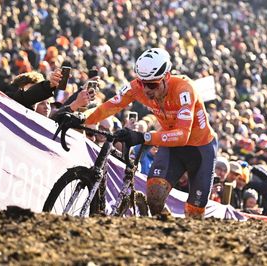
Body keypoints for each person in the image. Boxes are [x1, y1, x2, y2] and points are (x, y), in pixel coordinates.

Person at [84, 48, 218, 218]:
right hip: (171, 145)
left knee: (194, 213)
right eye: (142, 83)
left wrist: (144, 137)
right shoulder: (138, 88)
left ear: (166, 77)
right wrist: (82, 119)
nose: (146, 90)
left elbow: (183, 135)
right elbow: (109, 106)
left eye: (152, 84)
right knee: (154, 198)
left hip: (200, 149)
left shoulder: (184, 89)